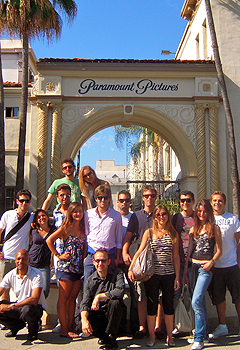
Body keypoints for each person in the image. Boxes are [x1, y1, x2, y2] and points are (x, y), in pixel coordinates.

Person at [128, 205, 180, 347]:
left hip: (168, 274)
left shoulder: (173, 233)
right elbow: (139, 251)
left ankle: (170, 337)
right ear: (154, 217)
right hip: (152, 274)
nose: (161, 217)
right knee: (151, 306)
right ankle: (151, 337)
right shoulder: (149, 232)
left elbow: (176, 256)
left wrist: (177, 277)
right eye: (158, 215)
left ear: (168, 215)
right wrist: (131, 268)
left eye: (163, 214)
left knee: (168, 306)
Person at [183, 199, 222, 350]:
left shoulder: (214, 228)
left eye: (204, 211)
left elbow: (219, 250)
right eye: (199, 211)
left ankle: (198, 338)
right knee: (199, 302)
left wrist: (211, 262)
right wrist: (186, 268)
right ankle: (204, 333)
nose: (201, 214)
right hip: (193, 266)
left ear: (209, 212)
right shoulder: (194, 229)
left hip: (206, 268)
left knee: (196, 301)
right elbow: (189, 251)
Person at [122, 185, 159, 338]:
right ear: (142, 198)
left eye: (151, 195)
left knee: (157, 296)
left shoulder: (161, 214)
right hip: (138, 260)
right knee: (140, 295)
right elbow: (128, 237)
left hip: (157, 259)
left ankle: (157, 327)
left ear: (155, 197)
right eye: (146, 196)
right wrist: (124, 252)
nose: (149, 198)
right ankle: (142, 327)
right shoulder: (135, 216)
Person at [47, 202, 87, 338]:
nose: (78, 214)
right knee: (63, 298)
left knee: (72, 298)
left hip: (78, 268)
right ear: (70, 213)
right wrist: (58, 255)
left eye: (80, 211)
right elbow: (49, 240)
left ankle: (70, 327)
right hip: (66, 267)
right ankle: (64, 328)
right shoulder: (66, 228)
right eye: (75, 212)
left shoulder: (83, 228)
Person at [209, 191, 240, 338]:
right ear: (211, 203)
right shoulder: (208, 219)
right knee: (219, 298)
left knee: (238, 297)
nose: (217, 203)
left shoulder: (232, 219)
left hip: (232, 264)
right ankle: (222, 326)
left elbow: (238, 242)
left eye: (220, 201)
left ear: (224, 203)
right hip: (215, 267)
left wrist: (239, 262)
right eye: (214, 200)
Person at [81, 248, 125, 350]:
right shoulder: (90, 280)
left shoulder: (117, 273)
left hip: (114, 316)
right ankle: (104, 336)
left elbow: (120, 291)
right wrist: (84, 320)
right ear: (93, 262)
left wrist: (99, 296)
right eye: (97, 261)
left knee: (115, 303)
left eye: (103, 261)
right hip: (99, 316)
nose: (100, 263)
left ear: (109, 261)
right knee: (86, 316)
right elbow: (85, 303)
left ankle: (112, 338)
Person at [0, 249, 47, 341]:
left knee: (27, 309)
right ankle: (15, 326)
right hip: (18, 306)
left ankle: (33, 332)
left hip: (35, 308)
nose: (20, 261)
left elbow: (34, 299)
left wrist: (11, 306)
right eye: (18, 259)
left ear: (28, 260)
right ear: (15, 261)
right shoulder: (10, 275)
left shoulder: (37, 274)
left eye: (23, 259)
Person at [84, 184, 122, 284]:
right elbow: (86, 235)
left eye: (105, 197)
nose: (102, 200)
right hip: (92, 254)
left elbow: (119, 238)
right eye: (100, 198)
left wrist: (117, 258)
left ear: (109, 198)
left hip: (109, 255)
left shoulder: (116, 215)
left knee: (109, 285)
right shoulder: (88, 214)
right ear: (96, 199)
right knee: (88, 284)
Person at [0, 189, 33, 301]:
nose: (24, 203)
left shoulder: (31, 218)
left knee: (24, 287)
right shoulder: (8, 215)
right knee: (5, 288)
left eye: (27, 201)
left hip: (22, 258)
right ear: (17, 201)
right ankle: (5, 315)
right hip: (7, 256)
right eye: (22, 200)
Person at [117, 190, 138, 334]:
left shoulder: (134, 218)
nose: (124, 203)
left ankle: (135, 327)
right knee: (116, 294)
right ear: (117, 202)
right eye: (122, 200)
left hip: (130, 260)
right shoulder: (112, 217)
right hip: (115, 260)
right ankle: (118, 326)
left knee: (135, 293)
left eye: (127, 200)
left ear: (130, 202)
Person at [172, 191, 195, 312]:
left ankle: (194, 325)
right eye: (182, 200)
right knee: (177, 293)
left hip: (194, 261)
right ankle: (178, 324)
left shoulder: (198, 218)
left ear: (193, 202)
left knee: (194, 294)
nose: (185, 203)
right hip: (178, 261)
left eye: (188, 200)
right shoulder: (176, 218)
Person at [29, 209, 55, 298]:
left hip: (44, 265)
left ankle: (40, 308)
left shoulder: (53, 230)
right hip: (32, 263)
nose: (41, 218)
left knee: (45, 290)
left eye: (43, 215)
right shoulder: (33, 230)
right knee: (30, 290)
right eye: (39, 217)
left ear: (47, 217)